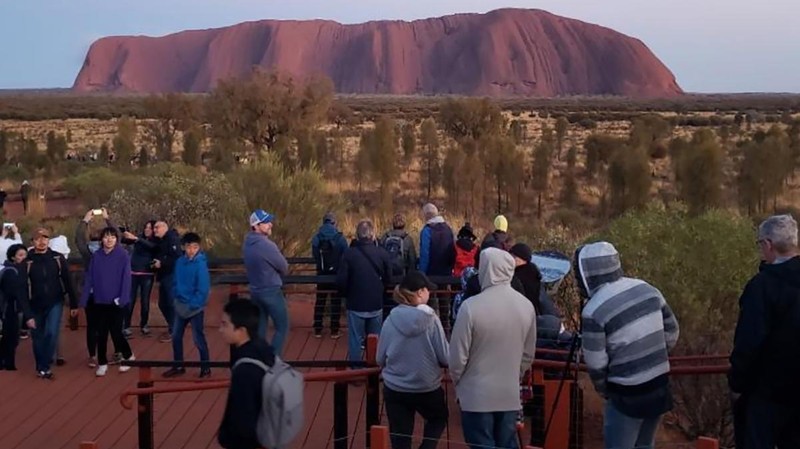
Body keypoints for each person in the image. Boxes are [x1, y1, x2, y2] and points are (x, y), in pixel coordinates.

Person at [575, 241, 679, 449]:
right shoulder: (647, 289)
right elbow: (672, 331)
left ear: (588, 273)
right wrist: (652, 358)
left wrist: (606, 390)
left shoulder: (593, 310)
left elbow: (596, 364)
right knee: (645, 445)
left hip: (626, 394)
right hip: (659, 384)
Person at [449, 247, 537, 449]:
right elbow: (528, 354)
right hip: (509, 394)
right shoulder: (526, 306)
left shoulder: (470, 307)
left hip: (475, 395)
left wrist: (459, 383)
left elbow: (457, 357)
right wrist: (515, 376)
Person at [730, 214, 800, 449]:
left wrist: (737, 384)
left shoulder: (761, 287)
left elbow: (749, 341)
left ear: (768, 245)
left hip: (766, 393)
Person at [377, 271, 449, 449]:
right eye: (427, 290)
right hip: (426, 386)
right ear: (419, 292)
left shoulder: (391, 319)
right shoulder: (431, 320)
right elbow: (445, 357)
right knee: (438, 419)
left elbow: (380, 358)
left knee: (400, 435)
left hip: (396, 387)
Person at [218, 299, 276, 449]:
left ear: (241, 331)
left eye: (225, 324)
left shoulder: (245, 370)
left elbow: (244, 420)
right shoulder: (263, 349)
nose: (220, 330)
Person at [79, 227, 135, 377]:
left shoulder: (123, 255)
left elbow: (127, 278)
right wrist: (84, 299)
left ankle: (128, 355)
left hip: (116, 302)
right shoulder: (96, 256)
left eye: (112, 237)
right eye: (106, 237)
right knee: (101, 333)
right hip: (100, 300)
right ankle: (102, 363)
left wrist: (122, 298)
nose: (109, 240)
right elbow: (89, 278)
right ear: (101, 239)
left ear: (116, 239)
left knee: (116, 332)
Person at [25, 227, 79, 379]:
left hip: (55, 301)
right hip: (34, 303)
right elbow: (22, 286)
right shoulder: (27, 261)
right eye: (38, 239)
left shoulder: (57, 258)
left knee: (51, 332)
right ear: (32, 241)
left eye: (45, 238)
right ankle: (42, 365)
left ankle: (44, 366)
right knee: (37, 336)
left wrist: (74, 304)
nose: (42, 242)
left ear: (49, 240)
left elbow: (68, 281)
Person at [337, 219, 391, 363]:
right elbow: (389, 278)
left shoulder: (349, 254)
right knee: (376, 338)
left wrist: (345, 295)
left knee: (355, 339)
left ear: (357, 235)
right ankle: (374, 369)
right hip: (375, 302)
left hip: (355, 303)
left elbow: (341, 280)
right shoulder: (382, 253)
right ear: (373, 235)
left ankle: (356, 372)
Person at [75, 208, 121, 366]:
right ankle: (116, 352)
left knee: (92, 325)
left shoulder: (87, 251)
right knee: (112, 324)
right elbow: (118, 237)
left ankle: (93, 355)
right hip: (106, 293)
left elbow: (79, 239)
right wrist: (108, 219)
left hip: (93, 294)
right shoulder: (108, 250)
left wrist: (85, 220)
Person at [163, 232, 211, 378]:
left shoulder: (200, 265)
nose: (191, 250)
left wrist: (194, 304)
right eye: (189, 247)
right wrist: (175, 297)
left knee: (198, 338)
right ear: (183, 247)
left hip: (194, 307)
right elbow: (175, 281)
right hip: (180, 305)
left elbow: (203, 288)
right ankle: (178, 365)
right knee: (176, 336)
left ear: (199, 248)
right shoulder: (179, 262)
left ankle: (205, 367)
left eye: (195, 247)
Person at [243, 209, 289, 356]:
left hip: (255, 291)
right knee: (282, 327)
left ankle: (258, 358)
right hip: (271, 292)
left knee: (260, 328)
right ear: (256, 226)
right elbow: (284, 267)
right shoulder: (266, 245)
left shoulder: (247, 244)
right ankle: (272, 361)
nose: (271, 225)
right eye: (266, 222)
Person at [311, 212, 347, 339]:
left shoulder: (317, 237)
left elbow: (314, 254)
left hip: (321, 274)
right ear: (334, 222)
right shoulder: (340, 238)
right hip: (336, 274)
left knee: (320, 300)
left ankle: (318, 329)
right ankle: (334, 330)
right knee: (335, 301)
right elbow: (346, 255)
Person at [418, 203, 455, 322]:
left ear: (426, 216)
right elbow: (452, 252)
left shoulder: (427, 231)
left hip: (431, 275)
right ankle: (445, 331)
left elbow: (425, 255)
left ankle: (432, 332)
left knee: (431, 308)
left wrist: (422, 275)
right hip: (446, 274)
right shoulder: (448, 229)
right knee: (445, 308)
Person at [0, 244, 34, 370]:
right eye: (20, 255)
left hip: (15, 307)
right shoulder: (12, 272)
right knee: (11, 336)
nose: (23, 258)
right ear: (13, 257)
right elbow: (13, 292)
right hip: (10, 307)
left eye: (25, 255)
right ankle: (8, 363)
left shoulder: (19, 270)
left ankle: (6, 361)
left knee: (10, 336)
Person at [122, 221, 158, 337]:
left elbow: (152, 247)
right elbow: (124, 240)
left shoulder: (155, 241)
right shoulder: (138, 238)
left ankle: (144, 325)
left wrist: (136, 238)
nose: (147, 229)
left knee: (145, 301)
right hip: (133, 273)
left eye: (150, 228)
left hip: (147, 275)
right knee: (130, 300)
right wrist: (123, 233)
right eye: (145, 227)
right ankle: (126, 326)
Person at [152, 219, 182, 343]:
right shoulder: (162, 241)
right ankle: (173, 327)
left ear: (165, 227)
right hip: (164, 275)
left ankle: (175, 330)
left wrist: (162, 263)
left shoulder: (172, 239)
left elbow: (177, 257)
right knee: (163, 304)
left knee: (170, 303)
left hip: (171, 275)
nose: (155, 230)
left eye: (157, 227)